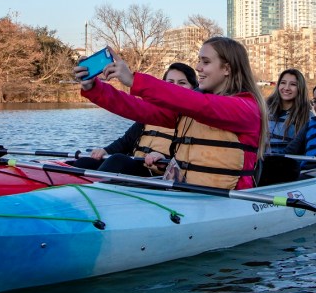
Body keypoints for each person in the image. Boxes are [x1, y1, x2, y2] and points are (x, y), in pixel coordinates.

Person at [74, 37, 267, 189]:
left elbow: (201, 104)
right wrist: (94, 88)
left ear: (227, 68)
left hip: (226, 199)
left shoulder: (246, 108)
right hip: (184, 193)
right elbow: (138, 107)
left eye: (206, 62)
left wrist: (134, 80)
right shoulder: (193, 108)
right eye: (199, 61)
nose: (198, 67)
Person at [73, 63, 198, 177]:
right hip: (136, 165)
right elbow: (125, 142)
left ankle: (92, 193)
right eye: (170, 82)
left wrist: (164, 158)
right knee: (85, 162)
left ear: (194, 87)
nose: (175, 87)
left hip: (155, 176)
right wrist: (105, 151)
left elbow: (189, 157)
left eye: (182, 83)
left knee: (117, 161)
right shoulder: (151, 115)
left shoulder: (192, 121)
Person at [264, 68, 311, 154]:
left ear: (300, 88)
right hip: (262, 162)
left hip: (289, 163)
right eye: (283, 83)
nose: (286, 88)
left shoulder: (307, 116)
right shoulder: (264, 109)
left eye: (293, 84)